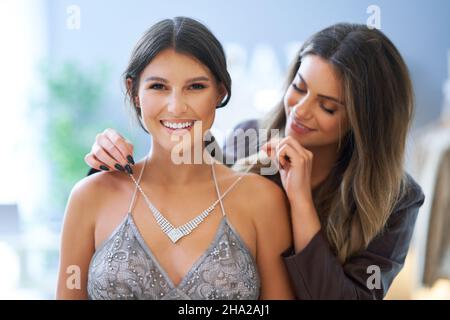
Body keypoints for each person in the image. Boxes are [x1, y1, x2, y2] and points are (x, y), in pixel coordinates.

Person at [85, 23, 425, 300]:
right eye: (299, 87)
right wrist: (109, 162)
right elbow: (182, 173)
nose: (300, 111)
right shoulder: (250, 137)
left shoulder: (398, 198)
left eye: (328, 106)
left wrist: (300, 202)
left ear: (365, 121)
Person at [57, 17, 295, 300]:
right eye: (158, 87)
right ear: (134, 92)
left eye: (195, 87)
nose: (176, 106)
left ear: (220, 92)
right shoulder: (90, 196)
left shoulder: (262, 200)